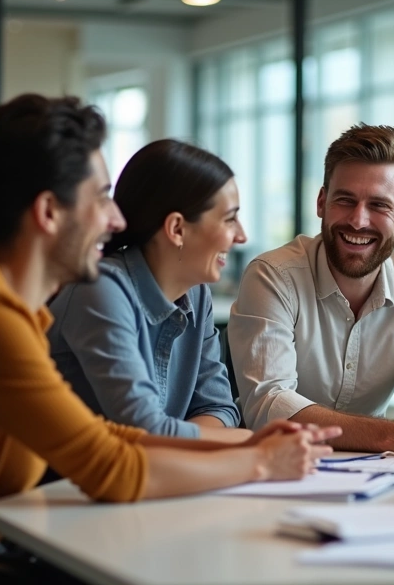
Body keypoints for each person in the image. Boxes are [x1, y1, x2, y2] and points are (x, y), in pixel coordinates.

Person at [0, 94, 338, 553]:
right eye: (102, 198)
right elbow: (115, 470)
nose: (115, 219)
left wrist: (255, 442)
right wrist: (258, 462)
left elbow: (109, 435)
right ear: (48, 212)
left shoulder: (5, 305)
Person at [229, 123, 394, 456]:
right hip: (269, 464)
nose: (358, 221)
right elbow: (269, 404)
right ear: (321, 202)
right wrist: (391, 436)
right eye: (345, 200)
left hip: (371, 469)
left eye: (379, 206)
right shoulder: (272, 276)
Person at [48, 140, 250, 442]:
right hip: (64, 488)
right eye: (229, 218)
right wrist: (253, 443)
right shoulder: (100, 291)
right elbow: (145, 431)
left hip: (159, 481)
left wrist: (202, 441)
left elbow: (219, 407)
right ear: (177, 229)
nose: (242, 236)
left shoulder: (196, 293)